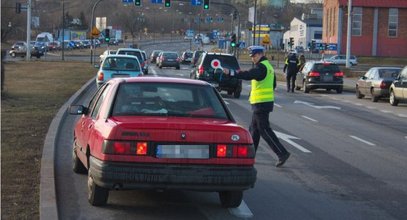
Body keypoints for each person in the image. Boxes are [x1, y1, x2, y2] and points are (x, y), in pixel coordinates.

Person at [223, 46, 290, 167]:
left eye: (253, 56)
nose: (252, 58)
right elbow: (273, 84)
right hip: (263, 102)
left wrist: (231, 73)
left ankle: (282, 153)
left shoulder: (261, 67)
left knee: (264, 130)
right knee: (254, 130)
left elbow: (248, 75)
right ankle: (250, 155)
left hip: (261, 103)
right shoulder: (269, 67)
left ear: (259, 54)